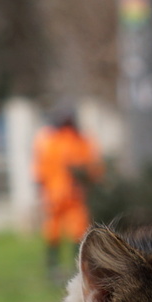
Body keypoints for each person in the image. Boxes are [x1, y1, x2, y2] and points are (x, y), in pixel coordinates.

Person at [33, 108, 102, 281]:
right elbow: (40, 167)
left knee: (77, 230)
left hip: (73, 196)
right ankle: (54, 267)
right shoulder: (49, 140)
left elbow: (93, 168)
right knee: (53, 231)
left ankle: (76, 268)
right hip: (55, 195)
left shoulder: (80, 140)